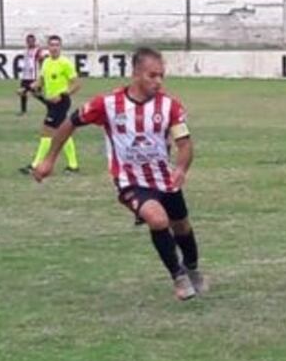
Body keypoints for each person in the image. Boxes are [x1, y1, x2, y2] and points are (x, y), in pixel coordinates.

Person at [33, 47, 207, 302]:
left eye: (161, 76)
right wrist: (49, 159)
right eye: (152, 75)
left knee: (181, 225)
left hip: (164, 178)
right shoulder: (108, 104)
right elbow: (70, 123)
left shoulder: (169, 106)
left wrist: (181, 168)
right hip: (129, 181)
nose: (158, 82)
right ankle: (178, 276)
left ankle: (191, 268)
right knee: (157, 219)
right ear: (136, 73)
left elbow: (185, 143)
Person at [20, 35, 80, 174]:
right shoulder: (46, 62)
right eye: (51, 45)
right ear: (48, 47)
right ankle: (73, 165)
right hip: (51, 102)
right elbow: (40, 81)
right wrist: (27, 89)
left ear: (60, 47)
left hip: (61, 102)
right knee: (63, 132)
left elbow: (77, 84)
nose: (54, 47)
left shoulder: (65, 63)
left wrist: (63, 95)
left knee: (46, 132)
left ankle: (36, 165)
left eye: (56, 45)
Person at [16, 33, 45, 115]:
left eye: (31, 41)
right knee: (23, 93)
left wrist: (42, 72)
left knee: (36, 94)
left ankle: (50, 105)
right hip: (25, 76)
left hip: (33, 76)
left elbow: (41, 60)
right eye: (28, 41)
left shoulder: (38, 50)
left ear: (34, 41)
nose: (30, 43)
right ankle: (23, 110)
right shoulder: (25, 50)